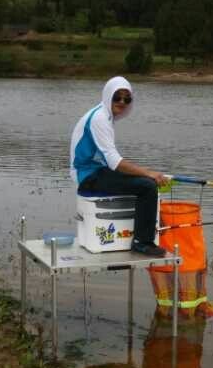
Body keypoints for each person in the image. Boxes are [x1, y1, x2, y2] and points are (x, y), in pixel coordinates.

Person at [70, 75, 170, 257]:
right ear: (108, 96)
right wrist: (149, 174)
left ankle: (141, 234)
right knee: (147, 186)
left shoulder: (104, 116)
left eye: (127, 98)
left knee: (144, 180)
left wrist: (145, 173)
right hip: (87, 176)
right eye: (117, 97)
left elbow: (112, 160)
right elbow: (115, 162)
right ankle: (142, 242)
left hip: (95, 171)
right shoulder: (100, 119)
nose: (122, 102)